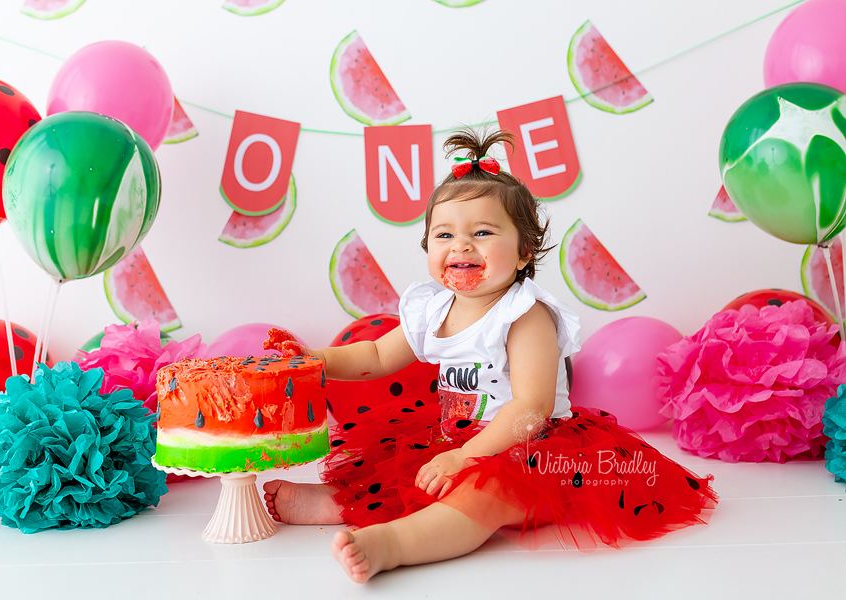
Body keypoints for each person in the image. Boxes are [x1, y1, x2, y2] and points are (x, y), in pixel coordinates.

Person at [263, 128, 717, 583]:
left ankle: (394, 544)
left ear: (523, 252)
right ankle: (330, 502)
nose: (461, 245)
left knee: (484, 492)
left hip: (531, 449)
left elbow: (531, 407)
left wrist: (468, 458)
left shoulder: (524, 315)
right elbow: (378, 354)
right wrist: (314, 360)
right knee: (406, 473)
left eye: (482, 232)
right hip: (457, 439)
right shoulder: (435, 307)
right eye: (444, 234)